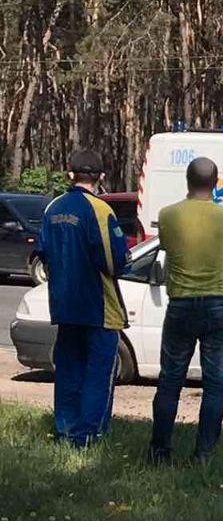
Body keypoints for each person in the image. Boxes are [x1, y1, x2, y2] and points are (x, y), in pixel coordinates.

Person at [148, 157, 223, 465]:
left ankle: (160, 452)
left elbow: (167, 250)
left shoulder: (168, 215)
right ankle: (204, 455)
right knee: (215, 383)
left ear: (187, 181)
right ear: (216, 184)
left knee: (170, 379)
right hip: (218, 304)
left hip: (181, 306)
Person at [34, 148, 130, 447]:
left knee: (68, 372)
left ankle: (65, 430)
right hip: (99, 308)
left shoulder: (53, 208)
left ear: (69, 174)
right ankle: (88, 435)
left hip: (64, 307)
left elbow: (41, 256)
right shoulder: (101, 211)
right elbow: (116, 261)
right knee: (98, 375)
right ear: (100, 177)